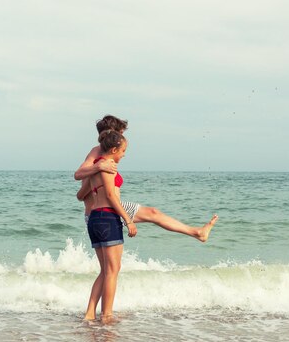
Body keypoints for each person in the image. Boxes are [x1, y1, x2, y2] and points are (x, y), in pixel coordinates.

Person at [75, 115, 218, 241]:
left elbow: (81, 194)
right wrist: (97, 168)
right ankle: (197, 233)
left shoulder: (104, 157)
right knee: (152, 213)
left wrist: (94, 180)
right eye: (121, 134)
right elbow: (79, 176)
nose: (122, 138)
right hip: (104, 212)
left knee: (153, 213)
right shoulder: (98, 153)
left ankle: (197, 233)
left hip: (99, 213)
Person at [84, 129, 136, 324]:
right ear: (114, 149)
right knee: (113, 270)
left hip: (95, 219)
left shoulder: (96, 166)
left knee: (106, 270)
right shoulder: (107, 166)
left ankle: (90, 313)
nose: (123, 155)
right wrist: (128, 219)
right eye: (123, 151)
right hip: (107, 218)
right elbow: (111, 196)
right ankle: (106, 315)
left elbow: (82, 192)